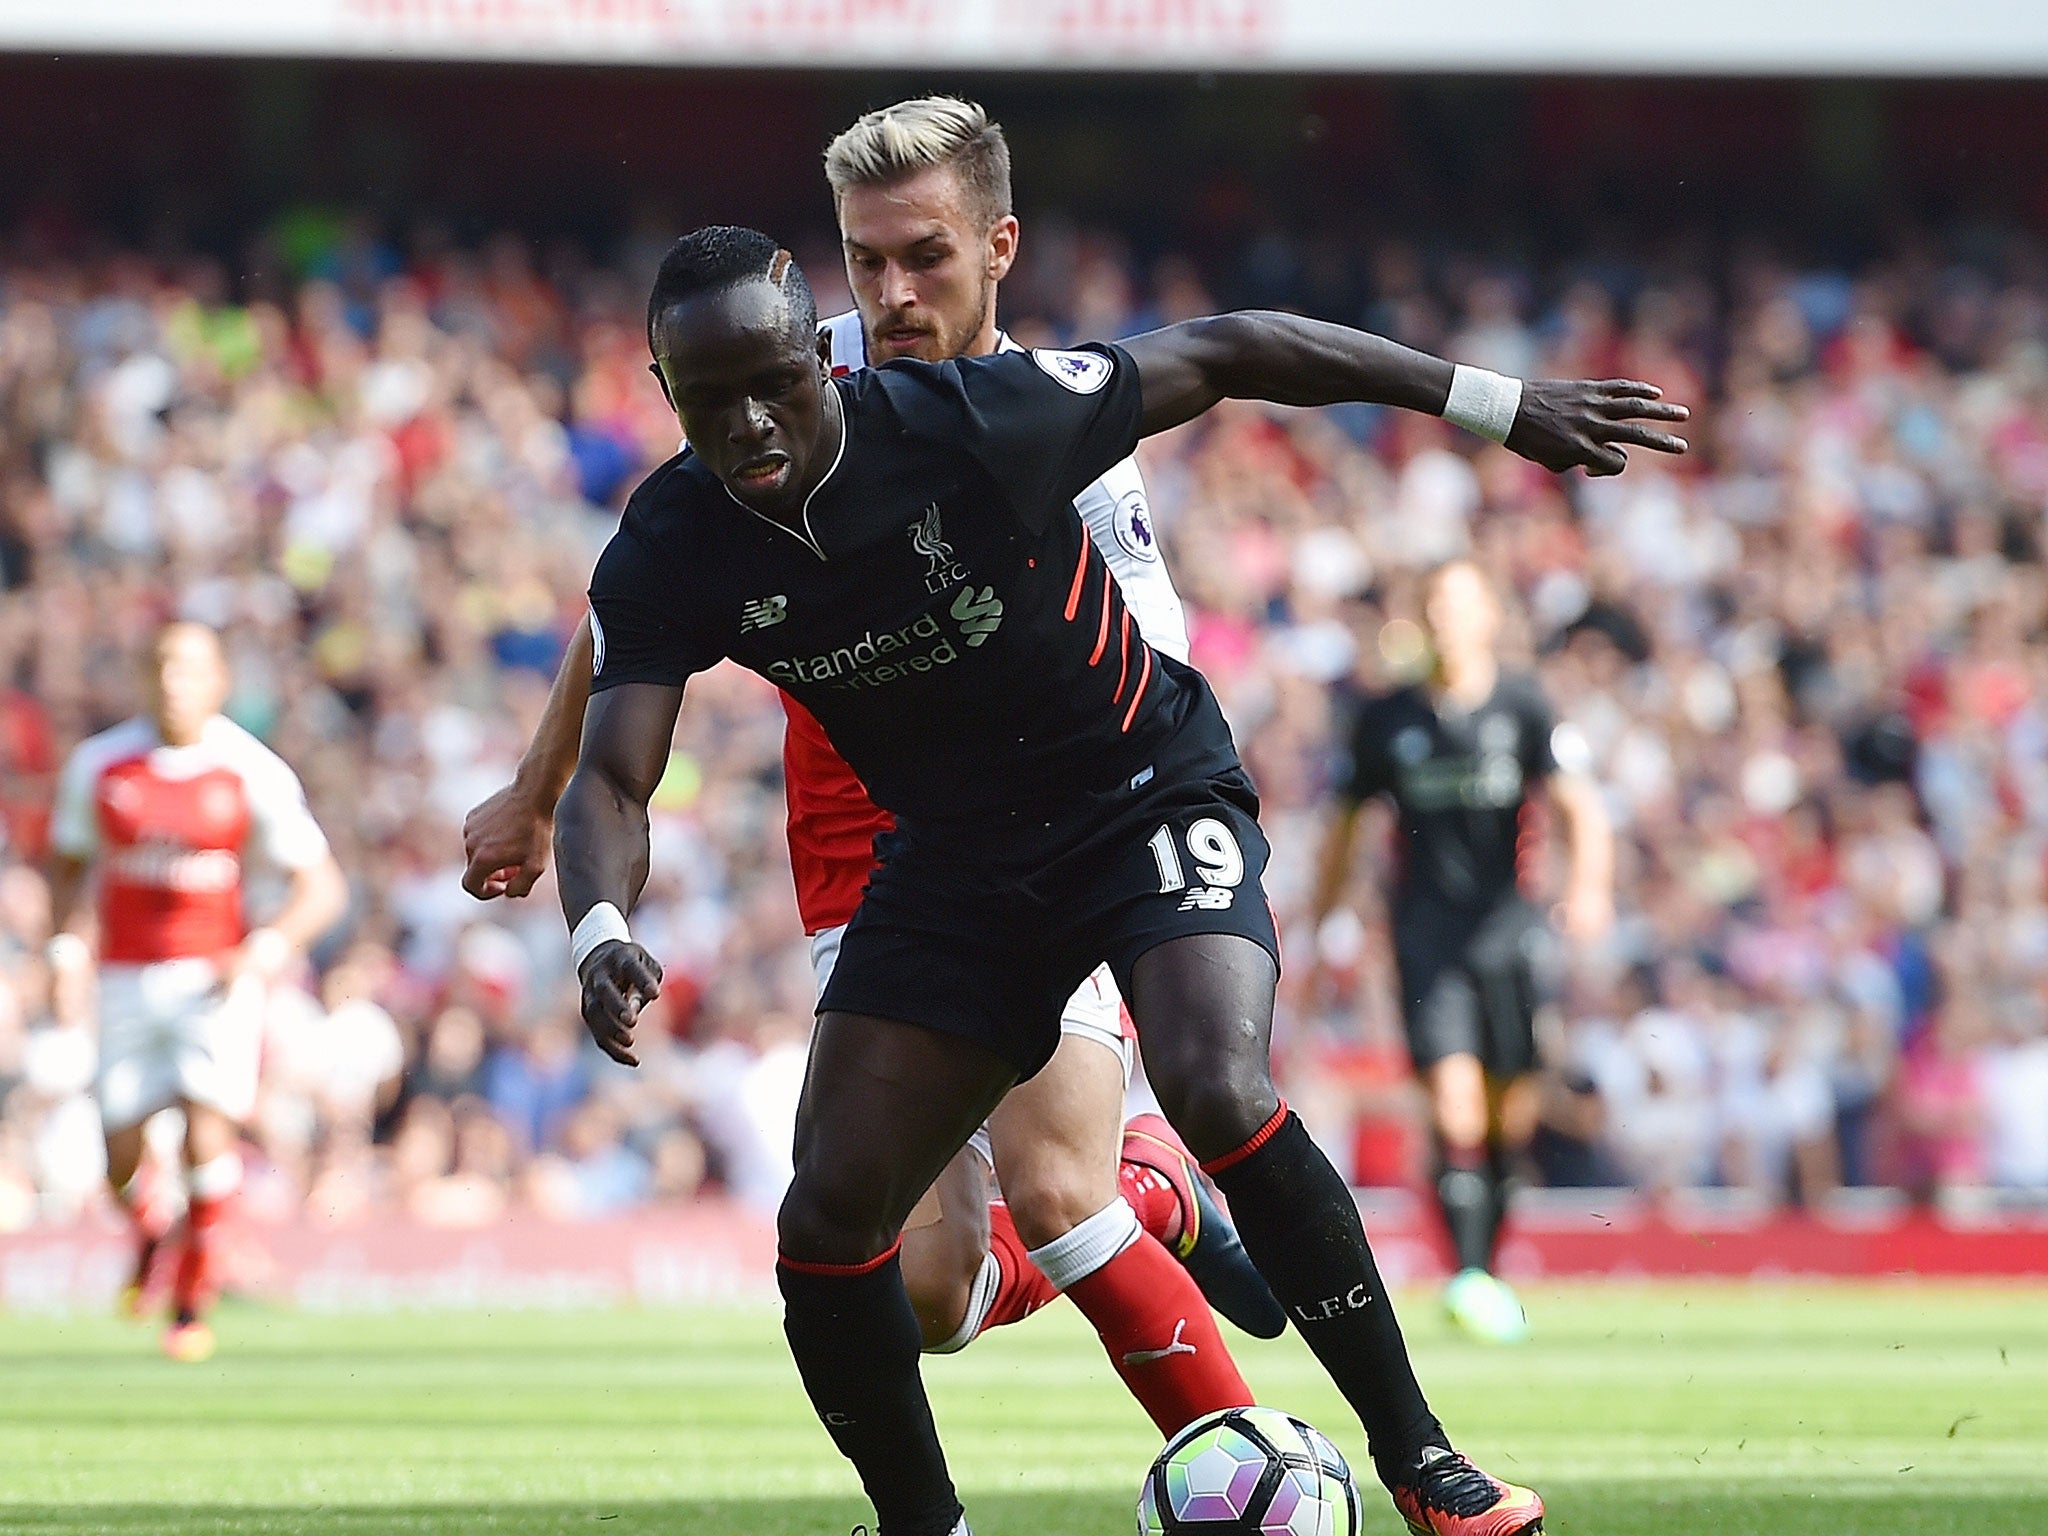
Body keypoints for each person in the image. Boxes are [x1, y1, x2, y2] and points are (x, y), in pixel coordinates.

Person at [558, 222, 1686, 1536]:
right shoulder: (676, 538)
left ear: (825, 354)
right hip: (962, 863)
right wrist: (597, 926)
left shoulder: (964, 418)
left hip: (1138, 789)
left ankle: (1425, 1461)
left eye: (773, 382)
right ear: (665, 394)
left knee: (1215, 1078)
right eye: (708, 402)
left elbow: (1227, 350)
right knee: (827, 1224)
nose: (748, 423)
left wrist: (1495, 405)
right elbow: (615, 775)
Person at [462, 96, 1280, 1439]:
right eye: (866, 260)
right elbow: (641, 598)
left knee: (1056, 1192)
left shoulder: (1049, 422)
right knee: (929, 1290)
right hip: (854, 826)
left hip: (1039, 803)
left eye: (923, 259)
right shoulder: (778, 375)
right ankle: (1160, 1190)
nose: (892, 293)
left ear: (995, 251)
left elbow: (1150, 658)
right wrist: (542, 785)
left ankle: (1253, 1471)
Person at [1310, 561, 1614, 1343]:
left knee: (1509, 1111)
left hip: (1510, 933)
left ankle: (1488, 1266)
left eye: (1460, 603)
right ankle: (1470, 1276)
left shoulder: (1525, 705)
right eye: (1434, 603)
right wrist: (1325, 917)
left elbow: (1581, 809)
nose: (1446, 618)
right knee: (1455, 1105)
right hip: (1425, 938)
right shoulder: (1386, 718)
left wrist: (1588, 891)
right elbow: (1347, 827)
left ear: (1489, 617)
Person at [47, 622, 346, 1361]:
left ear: (218, 682)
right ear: (143, 678)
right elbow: (65, 863)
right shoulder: (102, 766)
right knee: (117, 1153)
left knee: (207, 1135)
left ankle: (190, 1304)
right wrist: (63, 951)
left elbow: (322, 886)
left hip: (213, 981)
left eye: (188, 668)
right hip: (122, 978)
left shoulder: (251, 771)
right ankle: (151, 1227)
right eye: (160, 665)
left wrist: (263, 950)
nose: (173, 681)